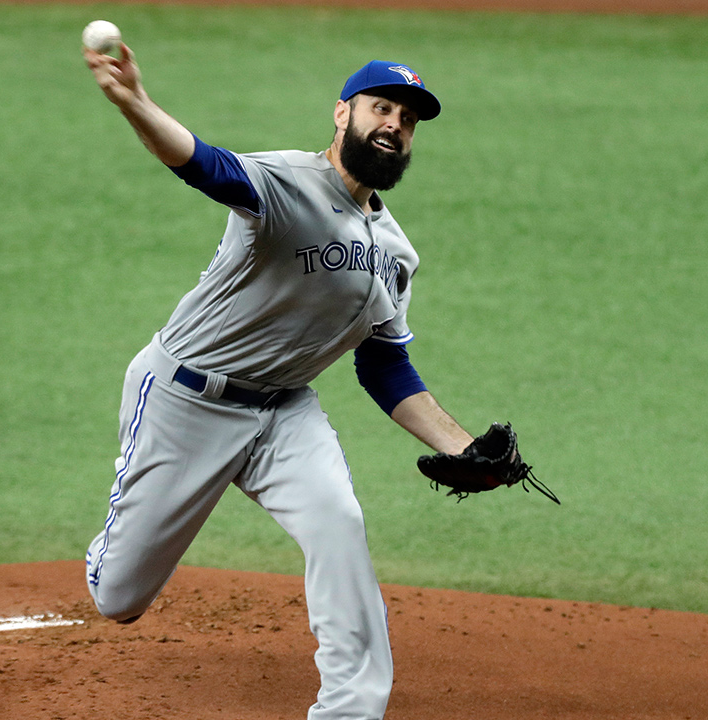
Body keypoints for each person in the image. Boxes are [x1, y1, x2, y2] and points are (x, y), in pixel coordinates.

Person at [82, 43, 477, 720]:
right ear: (343, 114)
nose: (394, 125)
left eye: (408, 119)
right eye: (381, 108)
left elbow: (385, 366)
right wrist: (134, 103)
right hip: (185, 398)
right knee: (118, 598)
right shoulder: (283, 183)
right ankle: (111, 547)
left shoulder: (396, 252)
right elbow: (202, 164)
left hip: (284, 413)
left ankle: (350, 710)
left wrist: (462, 447)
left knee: (339, 523)